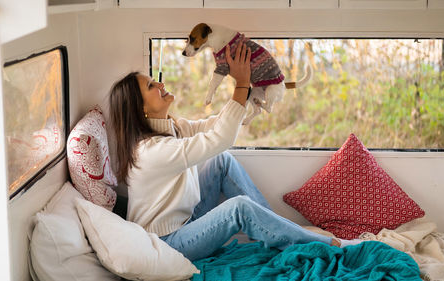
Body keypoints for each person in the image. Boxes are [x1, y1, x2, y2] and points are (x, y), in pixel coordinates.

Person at [109, 41, 359, 261]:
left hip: (186, 221)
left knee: (221, 161)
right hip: (167, 243)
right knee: (238, 208)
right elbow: (219, 138)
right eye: (152, 85)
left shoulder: (172, 127)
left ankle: (279, 228)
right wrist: (240, 84)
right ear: (141, 109)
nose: (160, 83)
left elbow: (213, 127)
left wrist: (248, 93)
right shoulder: (151, 151)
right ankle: (331, 245)